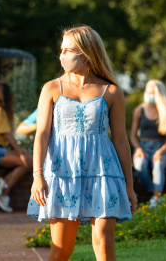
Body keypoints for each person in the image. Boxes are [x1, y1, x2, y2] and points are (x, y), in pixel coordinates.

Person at [27, 25, 137, 261]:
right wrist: (38, 174)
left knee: (105, 247)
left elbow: (120, 141)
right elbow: (42, 135)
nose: (63, 55)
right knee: (61, 250)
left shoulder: (112, 91)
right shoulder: (51, 88)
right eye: (62, 50)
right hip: (61, 172)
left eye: (69, 50)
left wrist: (129, 186)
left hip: (103, 173)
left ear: (86, 53)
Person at [130, 80, 166, 207]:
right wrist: (138, 149)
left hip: (160, 147)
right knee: (139, 164)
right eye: (147, 92)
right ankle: (152, 190)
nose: (149, 95)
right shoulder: (139, 110)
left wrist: (160, 152)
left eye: (152, 93)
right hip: (142, 146)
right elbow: (133, 136)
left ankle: (156, 199)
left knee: (158, 165)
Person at [0, 81, 32, 213]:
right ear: (5, 95)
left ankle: (3, 185)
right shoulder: (0, 111)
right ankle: (4, 193)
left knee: (27, 162)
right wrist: (21, 152)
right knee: (28, 161)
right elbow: (6, 134)